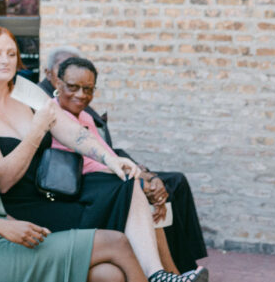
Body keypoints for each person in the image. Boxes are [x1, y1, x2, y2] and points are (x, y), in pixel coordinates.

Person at [0, 26, 206, 282]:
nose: (5, 60)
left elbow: (73, 132)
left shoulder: (26, 94)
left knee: (125, 184)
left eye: (11, 53)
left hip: (53, 192)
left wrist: (110, 158)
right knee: (110, 267)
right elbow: (1, 182)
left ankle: (157, 274)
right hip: (21, 206)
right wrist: (35, 133)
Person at [0, 39, 150, 282]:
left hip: (2, 240)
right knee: (115, 242)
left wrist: (19, 227)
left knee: (108, 275)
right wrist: (1, 227)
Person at [50, 56, 208, 274]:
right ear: (58, 84)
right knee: (142, 193)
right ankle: (170, 274)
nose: (81, 95)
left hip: (105, 181)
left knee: (163, 193)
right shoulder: (52, 113)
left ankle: (174, 273)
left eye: (88, 89)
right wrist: (139, 181)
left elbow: (110, 154)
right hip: (77, 191)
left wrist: (146, 177)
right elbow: (92, 163)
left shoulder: (86, 116)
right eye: (73, 87)